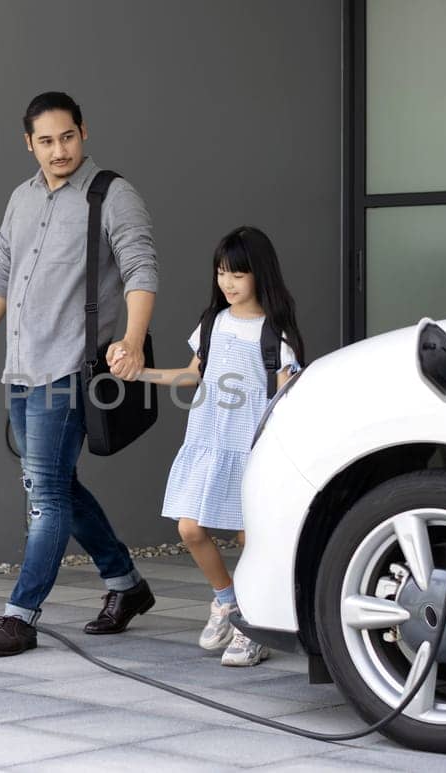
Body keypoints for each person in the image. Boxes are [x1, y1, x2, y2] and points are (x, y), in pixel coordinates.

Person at [0, 91, 160, 657]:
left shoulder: (112, 195)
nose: (58, 149)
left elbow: (141, 268)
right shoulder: (21, 199)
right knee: (56, 485)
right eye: (46, 141)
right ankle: (126, 585)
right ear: (29, 143)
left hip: (69, 370)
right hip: (21, 368)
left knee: (45, 495)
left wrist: (133, 341)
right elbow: (0, 275)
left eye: (67, 137)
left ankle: (20, 615)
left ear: (83, 132)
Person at [128, 226, 305, 666]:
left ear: (259, 276)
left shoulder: (275, 334)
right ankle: (226, 601)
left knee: (251, 538)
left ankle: (252, 624)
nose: (227, 282)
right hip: (208, 440)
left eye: (237, 274)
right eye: (222, 272)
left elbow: (286, 399)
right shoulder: (212, 322)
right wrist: (141, 375)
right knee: (190, 528)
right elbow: (193, 376)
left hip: (250, 449)